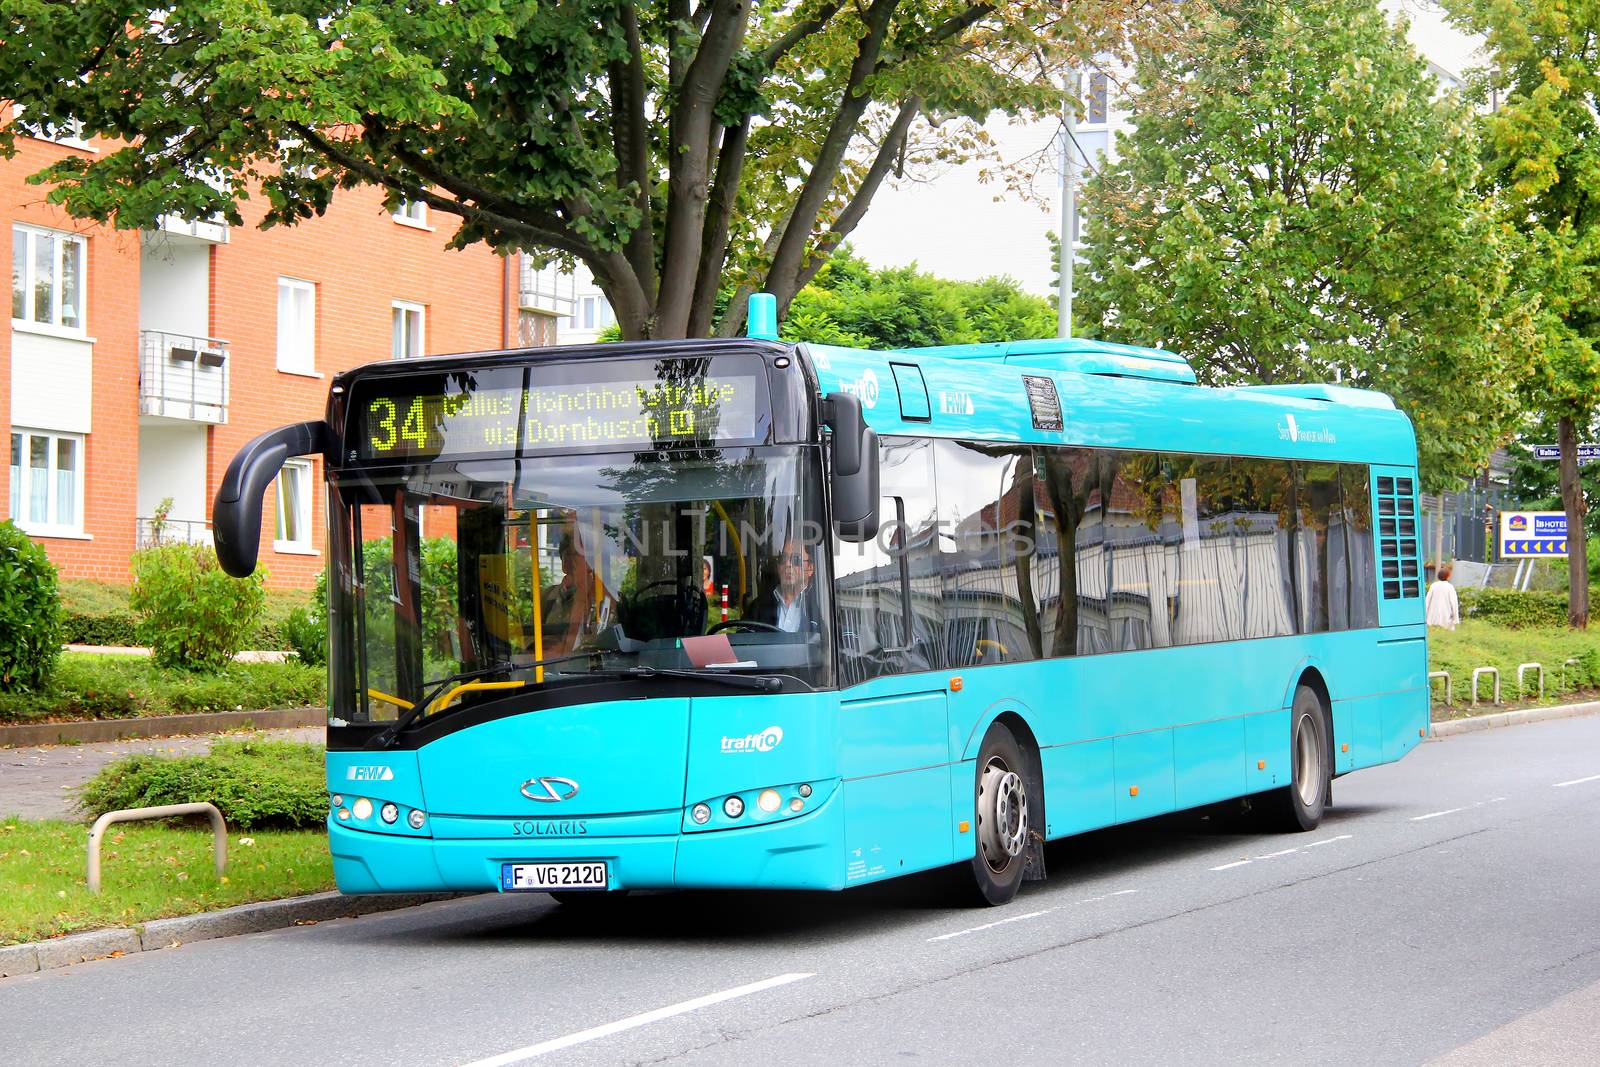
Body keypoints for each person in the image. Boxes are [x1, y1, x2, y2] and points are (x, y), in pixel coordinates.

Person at [745, 540, 816, 633]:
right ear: (778, 567)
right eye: (783, 559)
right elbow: (742, 642)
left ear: (810, 568)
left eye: (796, 559)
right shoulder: (757, 607)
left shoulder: (823, 607)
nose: (787, 564)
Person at [1425, 561, 1459, 630]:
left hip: (1432, 619)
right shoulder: (1450, 587)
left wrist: (1425, 616)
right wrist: (1455, 619)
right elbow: (1454, 604)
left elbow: (1427, 601)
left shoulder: (1433, 585)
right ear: (1448, 577)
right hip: (1446, 619)